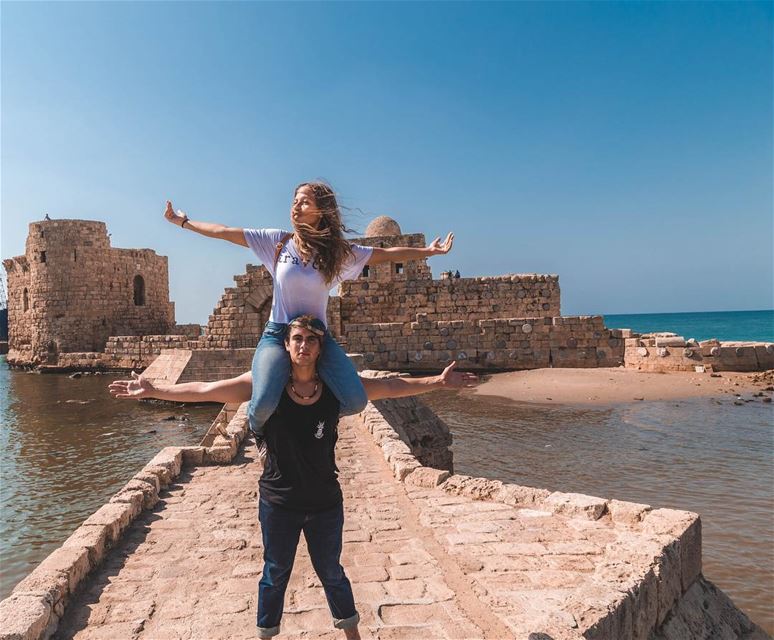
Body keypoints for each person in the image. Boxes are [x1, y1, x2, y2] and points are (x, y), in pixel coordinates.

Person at [110, 315, 478, 639]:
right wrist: (154, 389)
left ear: (320, 348)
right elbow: (207, 391)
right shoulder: (263, 388)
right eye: (296, 339)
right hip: (278, 503)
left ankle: (352, 635)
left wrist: (439, 383)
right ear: (285, 345)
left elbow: (392, 387)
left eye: (311, 339)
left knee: (332, 572)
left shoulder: (335, 389)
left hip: (325, 503)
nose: (303, 345)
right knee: (275, 574)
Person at [164, 183, 454, 451]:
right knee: (262, 403)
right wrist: (183, 222)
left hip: (316, 337)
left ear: (322, 211)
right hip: (278, 334)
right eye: (294, 201)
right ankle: (260, 431)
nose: (296, 206)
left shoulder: (335, 254)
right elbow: (223, 231)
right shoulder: (276, 243)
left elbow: (384, 254)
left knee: (354, 399)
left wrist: (427, 252)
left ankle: (310, 410)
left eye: (304, 201)